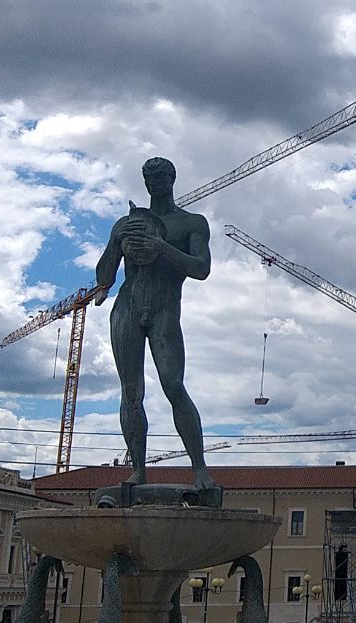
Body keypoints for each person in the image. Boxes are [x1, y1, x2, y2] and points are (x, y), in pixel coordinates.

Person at [95, 157, 214, 489]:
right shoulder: (126, 223)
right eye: (148, 177)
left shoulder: (192, 222)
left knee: (174, 385)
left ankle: (200, 469)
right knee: (131, 391)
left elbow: (202, 268)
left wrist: (161, 247)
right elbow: (104, 278)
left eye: (160, 176)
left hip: (164, 307)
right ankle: (138, 470)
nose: (154, 182)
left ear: (172, 178)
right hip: (127, 306)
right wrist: (117, 241)